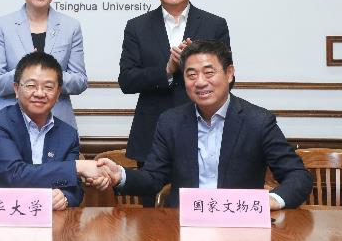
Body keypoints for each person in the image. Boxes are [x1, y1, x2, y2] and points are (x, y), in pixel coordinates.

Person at [104, 40, 312, 209]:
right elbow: (152, 178)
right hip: (184, 225)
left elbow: (298, 175)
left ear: (229, 73)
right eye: (191, 75)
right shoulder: (171, 122)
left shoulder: (258, 121)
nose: (200, 82)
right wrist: (119, 175)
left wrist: (273, 200)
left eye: (209, 72)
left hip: (238, 224)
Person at [119, 0, 230, 167]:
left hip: (205, 129)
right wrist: (167, 70)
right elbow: (127, 81)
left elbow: (228, 78)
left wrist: (196, 67)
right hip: (152, 133)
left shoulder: (214, 25)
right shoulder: (137, 27)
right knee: (151, 190)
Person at [0, 51, 113, 210]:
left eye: (48, 87)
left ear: (58, 93)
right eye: (31, 85)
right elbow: (15, 175)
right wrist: (78, 167)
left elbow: (74, 187)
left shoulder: (68, 134)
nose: (40, 93)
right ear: (16, 89)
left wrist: (65, 197)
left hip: (49, 219)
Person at [0, 0, 87, 129]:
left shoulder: (70, 26)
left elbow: (80, 81)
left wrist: (50, 75)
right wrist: (25, 72)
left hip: (58, 123)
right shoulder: (2, 26)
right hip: (11, 124)